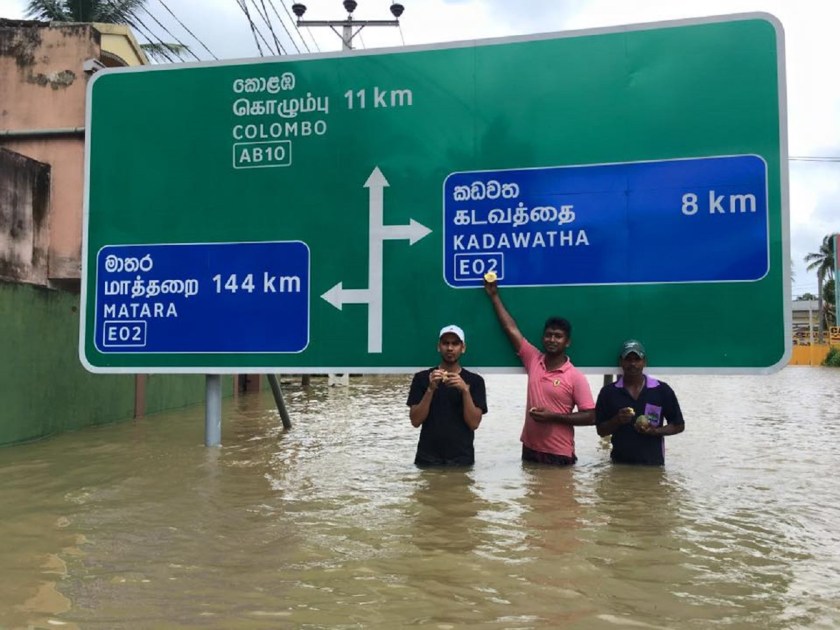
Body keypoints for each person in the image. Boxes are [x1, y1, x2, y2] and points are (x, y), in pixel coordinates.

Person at [483, 277, 595, 465]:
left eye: (558, 336)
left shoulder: (575, 376)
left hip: (559, 454)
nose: (552, 340)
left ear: (567, 342)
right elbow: (510, 328)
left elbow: (592, 416)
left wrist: (553, 417)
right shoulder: (534, 359)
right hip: (529, 449)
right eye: (548, 335)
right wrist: (494, 296)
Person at [407, 325, 487, 466]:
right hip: (427, 459)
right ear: (439, 347)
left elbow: (474, 423)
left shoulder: (475, 381)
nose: (450, 348)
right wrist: (430, 389)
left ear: (463, 348)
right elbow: (415, 421)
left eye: (455, 344)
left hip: (461, 460)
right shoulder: (422, 378)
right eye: (446, 343)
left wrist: (465, 391)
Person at [595, 339, 685, 465]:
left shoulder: (661, 390)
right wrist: (617, 420)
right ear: (621, 362)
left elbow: (679, 425)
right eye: (628, 359)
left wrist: (655, 431)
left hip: (653, 465)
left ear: (644, 362)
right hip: (619, 466)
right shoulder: (608, 392)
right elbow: (601, 431)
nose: (632, 364)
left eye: (637, 359)